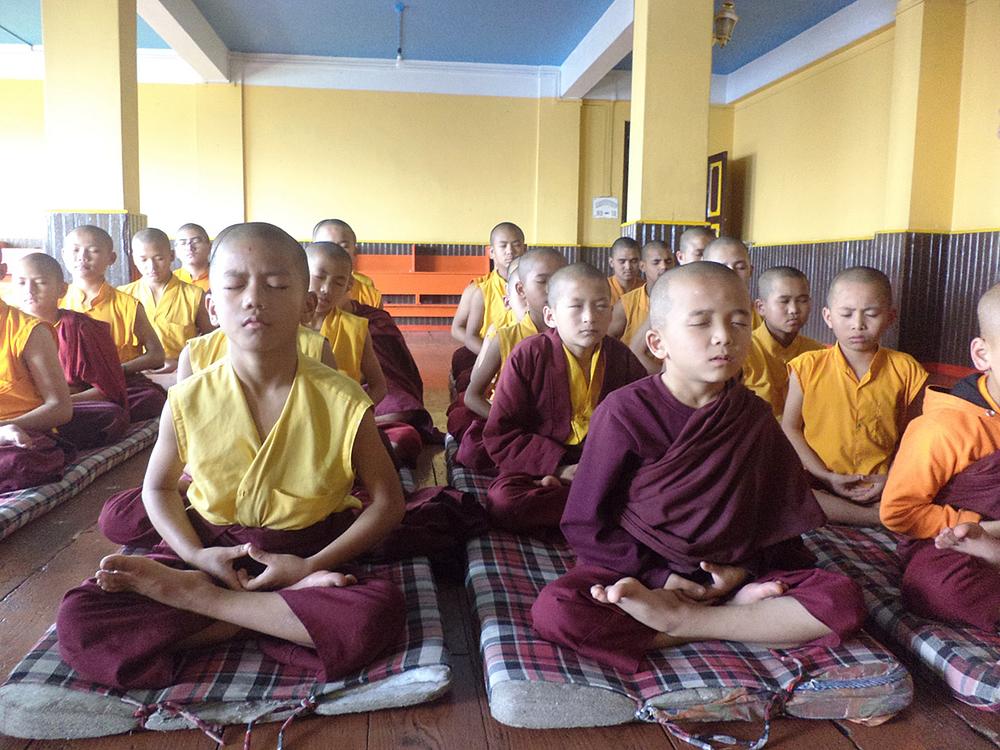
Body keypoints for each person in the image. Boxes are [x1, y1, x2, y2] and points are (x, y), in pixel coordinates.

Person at [56, 222, 407, 690]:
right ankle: (272, 612)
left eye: (277, 285)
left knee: (376, 615)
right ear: (212, 306)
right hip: (215, 549)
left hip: (308, 550)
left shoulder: (343, 398)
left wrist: (307, 566)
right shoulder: (188, 397)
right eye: (235, 285)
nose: (254, 299)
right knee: (79, 619)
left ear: (308, 305)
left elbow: (388, 502)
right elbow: (158, 487)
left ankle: (207, 604)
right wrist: (196, 556)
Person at [531, 262, 864, 672]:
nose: (724, 336)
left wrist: (740, 572)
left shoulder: (753, 416)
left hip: (731, 572)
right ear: (658, 343)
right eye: (701, 323)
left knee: (842, 598)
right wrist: (659, 577)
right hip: (644, 571)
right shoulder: (623, 413)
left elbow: (777, 519)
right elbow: (585, 522)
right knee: (558, 608)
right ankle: (734, 619)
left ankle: (688, 623)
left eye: (739, 322)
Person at [481, 263, 647, 537]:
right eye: (576, 307)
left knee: (659, 488)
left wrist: (603, 468)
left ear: (610, 313)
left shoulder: (622, 357)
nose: (590, 317)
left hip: (604, 466)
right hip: (540, 466)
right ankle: (602, 511)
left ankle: (588, 505)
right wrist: (560, 468)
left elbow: (642, 423)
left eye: (601, 306)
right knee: (504, 502)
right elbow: (502, 434)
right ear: (551, 315)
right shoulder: (529, 355)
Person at [881, 282, 1000, 631]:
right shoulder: (944, 426)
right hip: (955, 544)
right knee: (937, 586)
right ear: (983, 355)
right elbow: (898, 511)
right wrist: (977, 527)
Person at [783, 267, 927, 526]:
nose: (858, 324)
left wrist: (891, 478)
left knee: (927, 488)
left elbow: (914, 436)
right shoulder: (807, 366)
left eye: (871, 314)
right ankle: (877, 518)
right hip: (821, 481)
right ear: (828, 317)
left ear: (890, 317)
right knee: (785, 490)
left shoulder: (906, 369)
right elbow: (790, 427)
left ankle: (877, 511)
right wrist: (824, 475)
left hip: (880, 483)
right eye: (846, 314)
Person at [454, 248, 567, 471]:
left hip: (563, 429)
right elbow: (472, 396)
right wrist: (506, 424)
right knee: (475, 449)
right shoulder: (506, 337)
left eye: (560, 281)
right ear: (521, 290)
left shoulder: (574, 337)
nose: (554, 290)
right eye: (543, 282)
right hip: (515, 426)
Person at [12, 253, 129, 449]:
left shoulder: (82, 328)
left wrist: (56, 405)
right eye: (22, 283)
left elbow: (107, 391)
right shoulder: (8, 326)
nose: (30, 291)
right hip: (17, 409)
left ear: (62, 289)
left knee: (111, 415)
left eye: (40, 283)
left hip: (66, 405)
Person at [59, 225, 167, 421]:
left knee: (150, 398)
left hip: (119, 384)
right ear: (64, 255)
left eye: (93, 250)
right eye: (75, 250)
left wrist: (116, 371)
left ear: (111, 258)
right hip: (66, 386)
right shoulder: (55, 303)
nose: (83, 257)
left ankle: (67, 408)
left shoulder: (128, 305)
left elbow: (157, 355)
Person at [0, 247, 74, 491]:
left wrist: (6, 426)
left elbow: (60, 408)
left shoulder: (29, 331)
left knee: (18, 463)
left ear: (2, 272)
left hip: (19, 434)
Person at [304, 242, 387, 406]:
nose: (326, 289)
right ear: (301, 275)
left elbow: (379, 386)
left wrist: (357, 414)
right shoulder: (284, 326)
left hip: (340, 414)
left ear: (349, 286)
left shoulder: (355, 329)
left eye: (338, 283)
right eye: (319, 277)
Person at [120, 228, 212, 374]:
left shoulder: (194, 295)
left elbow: (211, 343)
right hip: (136, 375)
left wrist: (180, 364)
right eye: (143, 260)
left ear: (171, 255)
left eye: (159, 258)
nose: (151, 267)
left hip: (180, 375)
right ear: (134, 259)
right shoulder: (124, 295)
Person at [743, 266, 824, 420]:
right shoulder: (743, 352)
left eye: (802, 301)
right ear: (761, 307)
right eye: (784, 301)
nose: (794, 310)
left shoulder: (817, 354)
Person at [608, 240, 675, 343]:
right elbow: (605, 342)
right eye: (656, 262)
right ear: (642, 266)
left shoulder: (682, 297)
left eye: (668, 261)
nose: (663, 266)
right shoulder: (626, 304)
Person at [312, 219, 382, 308]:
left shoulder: (369, 295)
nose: (336, 252)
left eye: (343, 247)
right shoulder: (300, 290)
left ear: (354, 252)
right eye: (327, 246)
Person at [702, 237, 761, 330]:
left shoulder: (764, 315)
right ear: (705, 272)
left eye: (740, 267)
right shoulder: (693, 315)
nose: (732, 273)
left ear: (750, 271)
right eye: (722, 267)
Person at [172, 223, 212, 292]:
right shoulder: (170, 280)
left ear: (210, 247)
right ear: (176, 251)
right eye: (183, 243)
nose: (189, 247)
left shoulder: (222, 278)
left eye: (196, 241)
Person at [607, 236, 642, 305]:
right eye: (622, 261)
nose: (628, 267)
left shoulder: (646, 289)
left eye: (633, 261)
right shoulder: (602, 288)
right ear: (611, 262)